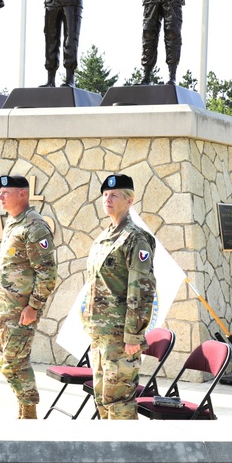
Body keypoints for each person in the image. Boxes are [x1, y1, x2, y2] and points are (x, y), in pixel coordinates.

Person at [82, 174, 155, 419]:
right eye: (105, 195)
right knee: (103, 399)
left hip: (121, 336)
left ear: (130, 200)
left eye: (114, 195)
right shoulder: (105, 236)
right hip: (100, 335)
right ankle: (109, 452)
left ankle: (129, 454)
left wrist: (134, 335)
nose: (108, 199)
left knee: (120, 402)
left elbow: (141, 289)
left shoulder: (135, 238)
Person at [0, 174, 58, 419]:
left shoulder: (35, 226)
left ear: (23, 194)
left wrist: (34, 307)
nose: (0, 196)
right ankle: (23, 410)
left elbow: (47, 272)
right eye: (0, 192)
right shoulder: (13, 222)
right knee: (8, 362)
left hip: (21, 310)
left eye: (6, 192)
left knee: (13, 362)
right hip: (5, 310)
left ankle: (29, 411)